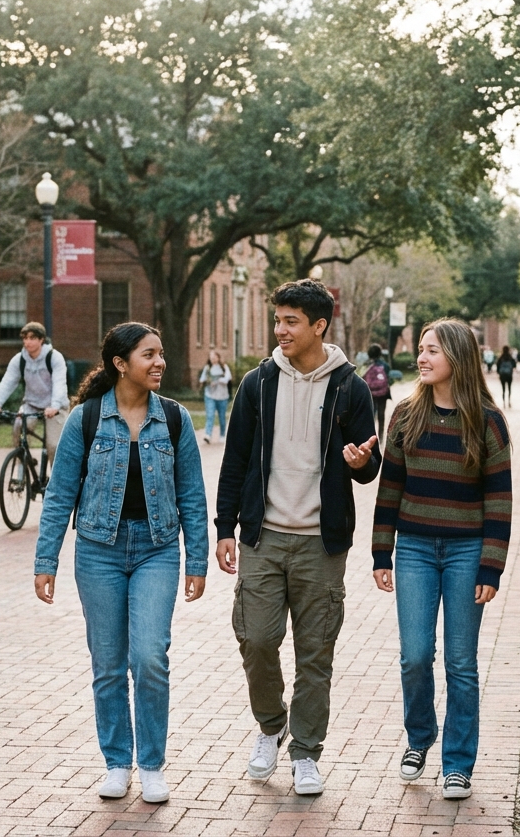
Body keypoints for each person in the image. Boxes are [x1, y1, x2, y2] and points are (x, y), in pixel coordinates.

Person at [215, 279, 381, 797]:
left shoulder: (349, 387)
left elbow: (368, 463)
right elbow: (235, 458)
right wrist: (225, 527)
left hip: (320, 543)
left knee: (316, 654)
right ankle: (271, 725)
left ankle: (307, 752)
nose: (280, 329)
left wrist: (362, 463)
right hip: (262, 539)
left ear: (318, 326)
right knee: (257, 639)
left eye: (291, 321)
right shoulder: (257, 383)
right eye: (278, 320)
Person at [33, 322, 208, 804]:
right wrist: (45, 559)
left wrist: (198, 560)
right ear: (120, 363)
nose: (159, 363)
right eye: (149, 355)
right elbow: (60, 493)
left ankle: (151, 764)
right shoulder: (85, 419)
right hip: (98, 552)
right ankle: (117, 762)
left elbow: (192, 494)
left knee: (149, 657)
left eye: (161, 353)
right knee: (108, 665)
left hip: (156, 550)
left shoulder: (174, 419)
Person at [372, 318, 513, 801]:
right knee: (415, 656)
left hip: (465, 552)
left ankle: (458, 763)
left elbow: (500, 500)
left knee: (460, 661)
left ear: (458, 357)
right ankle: (419, 738)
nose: (421, 357)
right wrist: (380, 552)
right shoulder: (406, 415)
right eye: (421, 349)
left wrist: (490, 566)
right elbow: (390, 487)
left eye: (432, 350)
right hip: (412, 549)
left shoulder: (487, 422)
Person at [0, 322, 69, 464]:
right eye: (25, 338)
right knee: (18, 428)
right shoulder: (19, 359)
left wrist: (55, 406)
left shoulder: (54, 357)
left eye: (32, 338)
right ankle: (24, 462)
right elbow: (8, 382)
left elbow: (59, 383)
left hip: (55, 407)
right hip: (31, 404)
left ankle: (56, 482)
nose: (27, 342)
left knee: (54, 445)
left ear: (41, 339)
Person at [197, 350, 232, 444]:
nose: (212, 359)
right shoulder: (207, 368)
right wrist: (207, 382)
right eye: (211, 358)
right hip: (210, 395)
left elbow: (228, 378)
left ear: (218, 357)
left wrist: (219, 380)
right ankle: (208, 435)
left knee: (222, 417)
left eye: (214, 357)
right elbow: (202, 379)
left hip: (222, 396)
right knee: (210, 415)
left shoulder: (224, 367)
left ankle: (222, 435)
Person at [363, 343, 393, 442]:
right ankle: (380, 438)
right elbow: (389, 379)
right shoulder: (385, 365)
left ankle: (370, 437)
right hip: (382, 394)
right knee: (381, 415)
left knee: (371, 415)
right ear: (380, 353)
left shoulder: (366, 365)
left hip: (369, 393)